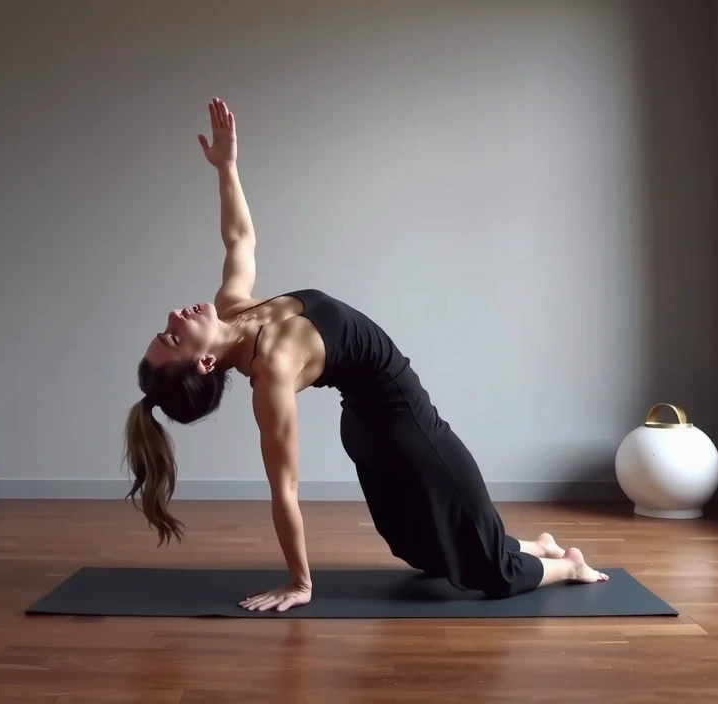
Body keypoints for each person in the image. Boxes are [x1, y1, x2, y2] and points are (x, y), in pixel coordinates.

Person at [122, 97, 609, 613]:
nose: (175, 316)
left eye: (167, 327)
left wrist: (228, 168)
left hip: (372, 420)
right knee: (451, 559)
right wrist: (299, 582)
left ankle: (543, 549)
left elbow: (239, 238)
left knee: (444, 552)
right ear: (203, 364)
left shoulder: (232, 307)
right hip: (399, 423)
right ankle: (568, 565)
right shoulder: (273, 369)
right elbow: (284, 488)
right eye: (174, 336)